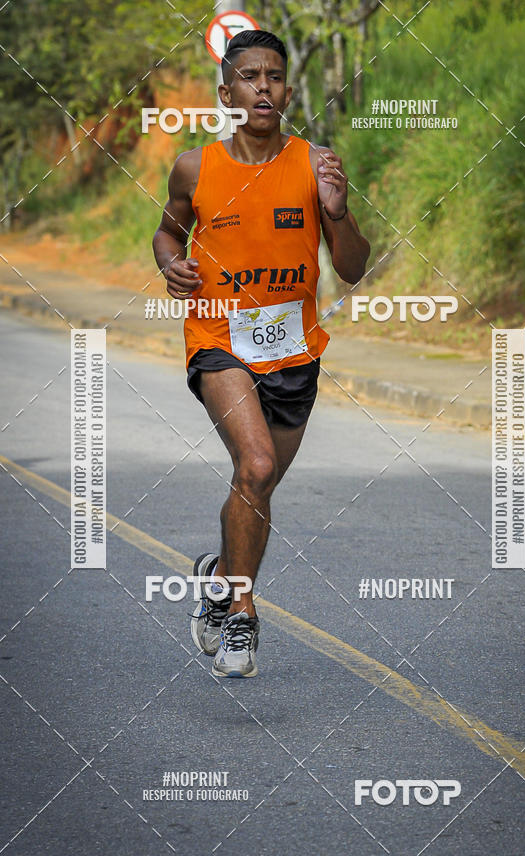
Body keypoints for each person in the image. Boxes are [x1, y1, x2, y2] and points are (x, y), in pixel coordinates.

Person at [152, 29, 370, 678]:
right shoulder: (195, 166)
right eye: (250, 76)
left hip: (295, 350)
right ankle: (242, 610)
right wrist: (172, 264)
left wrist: (341, 210)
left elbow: (353, 267)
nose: (265, 86)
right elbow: (167, 230)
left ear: (289, 89)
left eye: (275, 76)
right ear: (228, 92)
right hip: (218, 339)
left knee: (258, 483)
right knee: (255, 461)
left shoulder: (314, 163)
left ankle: (218, 575)